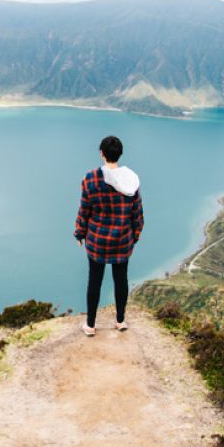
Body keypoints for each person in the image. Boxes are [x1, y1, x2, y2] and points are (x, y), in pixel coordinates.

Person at [73, 135, 144, 336]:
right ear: (119, 154)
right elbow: (137, 213)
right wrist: (134, 235)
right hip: (123, 240)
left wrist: (79, 232)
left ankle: (90, 325)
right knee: (121, 280)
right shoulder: (132, 180)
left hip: (97, 240)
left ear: (102, 154)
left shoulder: (91, 178)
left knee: (94, 281)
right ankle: (120, 321)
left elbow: (84, 210)